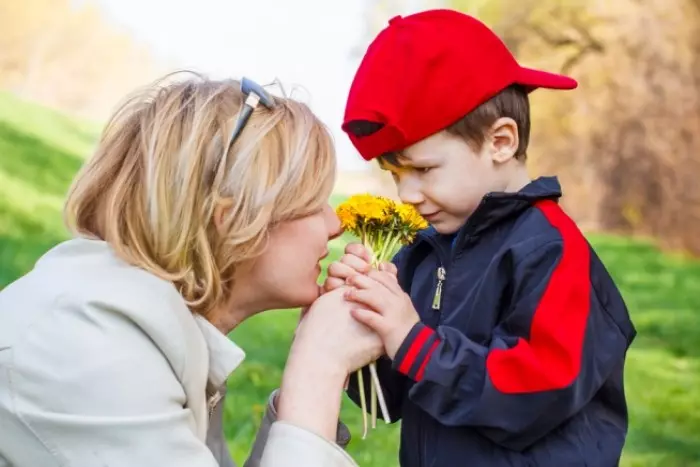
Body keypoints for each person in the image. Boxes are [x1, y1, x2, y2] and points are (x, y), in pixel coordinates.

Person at [0, 71, 379, 467]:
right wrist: (318, 369)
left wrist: (300, 393)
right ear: (235, 221)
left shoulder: (153, 328)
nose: (335, 225)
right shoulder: (86, 344)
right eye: (315, 202)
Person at [326, 9, 638, 467]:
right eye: (394, 174)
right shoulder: (424, 250)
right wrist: (360, 324)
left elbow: (536, 395)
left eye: (424, 169)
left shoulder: (549, 249)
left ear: (501, 142)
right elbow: (391, 399)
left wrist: (411, 339)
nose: (407, 194)